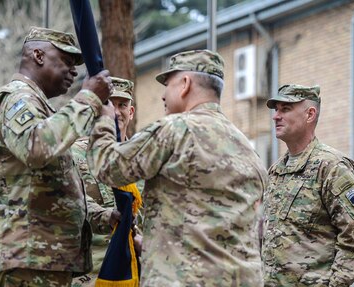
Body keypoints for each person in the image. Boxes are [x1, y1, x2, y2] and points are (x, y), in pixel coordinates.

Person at [86, 49, 268, 286]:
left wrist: (104, 118)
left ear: (185, 84)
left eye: (168, 84)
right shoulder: (247, 147)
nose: (163, 95)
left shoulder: (175, 129)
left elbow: (106, 166)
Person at [0, 26, 113, 287]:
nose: (74, 71)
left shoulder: (42, 108)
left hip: (39, 256)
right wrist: (89, 98)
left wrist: (104, 216)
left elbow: (54, 190)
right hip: (24, 255)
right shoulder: (17, 97)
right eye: (67, 61)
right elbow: (35, 148)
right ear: (38, 55)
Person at [262, 84, 354, 286]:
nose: (276, 116)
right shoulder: (276, 170)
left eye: (285, 109)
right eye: (276, 109)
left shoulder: (332, 167)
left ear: (310, 114)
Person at [71, 76, 141, 287]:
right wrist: (107, 216)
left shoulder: (143, 157)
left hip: (135, 271)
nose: (116, 111)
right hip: (91, 273)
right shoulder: (74, 153)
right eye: (110, 104)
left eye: (123, 105)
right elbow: (72, 203)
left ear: (131, 112)